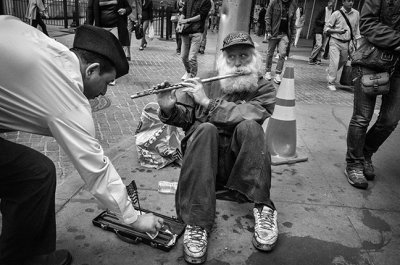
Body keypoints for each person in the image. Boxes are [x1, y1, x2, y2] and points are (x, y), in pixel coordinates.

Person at [0, 16, 163, 265]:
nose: (105, 92)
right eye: (107, 82)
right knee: (35, 175)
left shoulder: (47, 46)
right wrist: (135, 218)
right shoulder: (67, 97)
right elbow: (96, 169)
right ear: (92, 70)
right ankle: (24, 258)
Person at [156, 31, 278, 264]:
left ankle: (264, 207)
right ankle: (197, 223)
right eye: (232, 57)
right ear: (223, 60)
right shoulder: (207, 80)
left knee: (251, 127)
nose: (238, 62)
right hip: (203, 165)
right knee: (205, 129)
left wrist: (208, 103)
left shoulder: (264, 88)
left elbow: (248, 113)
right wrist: (170, 108)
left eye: (244, 55)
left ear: (254, 59)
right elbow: (187, 118)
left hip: (240, 168)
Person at [345, 0, 400, 189]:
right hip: (373, 59)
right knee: (362, 117)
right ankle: (353, 163)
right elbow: (367, 23)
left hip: (398, 67)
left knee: (390, 120)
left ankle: (365, 153)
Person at [325, 0, 360, 91]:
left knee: (343, 60)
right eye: (348, 1)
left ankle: (330, 71)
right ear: (343, 2)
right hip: (335, 41)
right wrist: (338, 31)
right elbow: (327, 29)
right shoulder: (336, 14)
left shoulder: (356, 13)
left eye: (352, 1)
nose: (351, 3)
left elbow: (356, 29)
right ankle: (331, 82)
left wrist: (356, 42)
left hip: (347, 42)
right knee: (335, 62)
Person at [177, 0, 212, 80]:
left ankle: (192, 77)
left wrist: (187, 20)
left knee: (192, 57)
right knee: (183, 56)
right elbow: (184, 12)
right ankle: (188, 71)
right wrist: (181, 21)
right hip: (185, 31)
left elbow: (201, 16)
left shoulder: (206, 1)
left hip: (197, 31)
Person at [263, 0, 297, 84]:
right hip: (274, 32)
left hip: (284, 34)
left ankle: (278, 74)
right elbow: (268, 16)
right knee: (270, 53)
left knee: (282, 54)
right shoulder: (274, 2)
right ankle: (267, 72)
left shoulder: (293, 4)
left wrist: (293, 35)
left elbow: (293, 21)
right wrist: (268, 30)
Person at [309, 0, 334, 65]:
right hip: (319, 30)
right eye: (330, 2)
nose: (331, 4)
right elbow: (316, 20)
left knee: (323, 47)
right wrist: (324, 23)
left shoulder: (333, 12)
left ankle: (318, 59)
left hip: (327, 31)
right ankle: (311, 59)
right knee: (318, 44)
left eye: (333, 3)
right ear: (328, 3)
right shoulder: (323, 10)